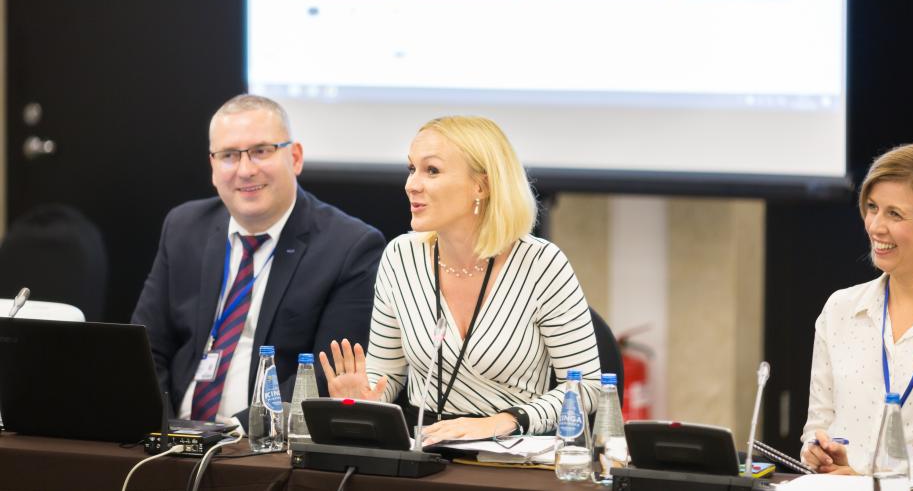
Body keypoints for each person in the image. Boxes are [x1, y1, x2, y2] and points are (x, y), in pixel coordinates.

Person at [319, 115, 602, 441]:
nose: (411, 185)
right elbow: (387, 375)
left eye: (432, 170)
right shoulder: (400, 257)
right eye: (412, 169)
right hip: (424, 444)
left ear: (481, 186)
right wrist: (365, 398)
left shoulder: (541, 264)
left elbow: (585, 387)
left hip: (511, 447)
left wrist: (502, 421)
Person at [132, 94, 385, 427]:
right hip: (175, 432)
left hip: (263, 441)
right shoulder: (184, 227)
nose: (246, 170)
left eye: (261, 151)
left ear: (295, 157)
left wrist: (233, 432)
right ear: (213, 167)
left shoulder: (350, 246)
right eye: (229, 155)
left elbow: (328, 375)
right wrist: (161, 426)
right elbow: (146, 345)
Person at [802, 143, 913, 476]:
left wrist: (868, 478)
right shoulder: (841, 309)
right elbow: (818, 424)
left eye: (895, 214)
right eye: (872, 207)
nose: (875, 226)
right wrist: (820, 452)